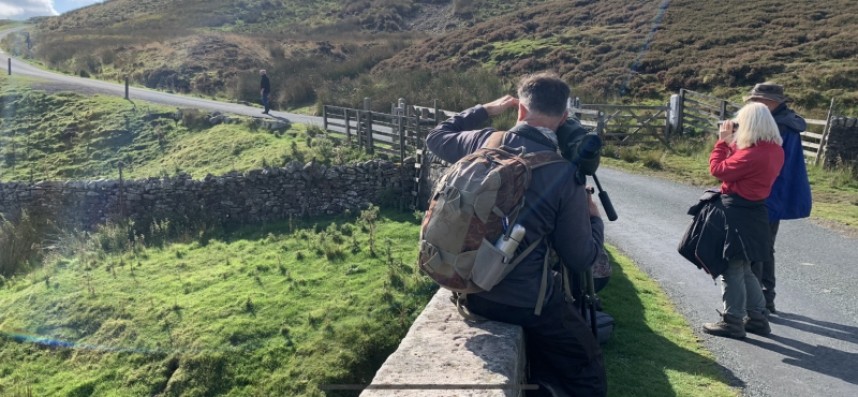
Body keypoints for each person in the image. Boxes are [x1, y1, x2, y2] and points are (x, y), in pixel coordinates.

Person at [426, 72, 607, 396]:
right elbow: (580, 258)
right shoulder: (563, 174)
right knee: (587, 367)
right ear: (564, 118)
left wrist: (487, 109)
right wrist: (594, 219)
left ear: (520, 111)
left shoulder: (484, 141)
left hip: (468, 290)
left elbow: (437, 136)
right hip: (527, 304)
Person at [702, 102, 784, 339]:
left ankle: (733, 321)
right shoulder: (774, 150)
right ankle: (758, 318)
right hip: (755, 211)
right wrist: (733, 143)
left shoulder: (752, 155)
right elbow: (743, 162)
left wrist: (722, 142)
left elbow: (718, 169)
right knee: (745, 266)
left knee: (731, 266)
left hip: (738, 211)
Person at [744, 82, 812, 314]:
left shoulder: (777, 126)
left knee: (757, 248)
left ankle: (758, 302)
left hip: (767, 193)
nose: (755, 104)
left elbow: (763, 162)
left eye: (759, 100)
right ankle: (765, 298)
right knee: (765, 247)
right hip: (775, 192)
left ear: (774, 103)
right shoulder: (785, 122)